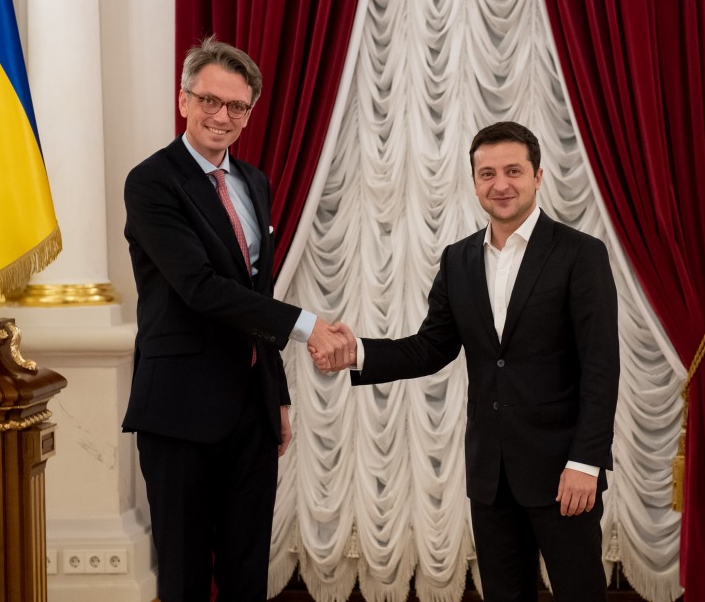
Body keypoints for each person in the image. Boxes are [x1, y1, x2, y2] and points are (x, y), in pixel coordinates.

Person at [314, 121, 620, 601]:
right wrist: (359, 352)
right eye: (487, 174)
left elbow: (601, 367)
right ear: (474, 182)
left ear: (538, 176)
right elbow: (431, 348)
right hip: (490, 473)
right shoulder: (457, 259)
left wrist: (586, 462)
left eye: (514, 171)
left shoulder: (580, 253)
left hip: (565, 470)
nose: (501, 184)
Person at [123, 35, 353, 602]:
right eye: (209, 100)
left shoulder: (255, 182)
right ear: (184, 100)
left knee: (249, 572)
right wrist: (308, 326)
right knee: (184, 576)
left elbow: (258, 291)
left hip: (251, 408)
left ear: (250, 113)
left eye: (236, 106)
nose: (221, 116)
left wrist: (277, 395)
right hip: (180, 409)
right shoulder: (152, 182)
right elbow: (201, 289)